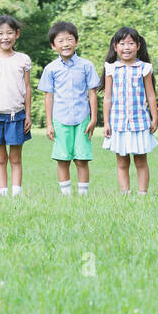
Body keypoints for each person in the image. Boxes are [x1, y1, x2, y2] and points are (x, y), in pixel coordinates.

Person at [37, 21, 99, 196]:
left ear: (76, 42)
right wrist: (49, 124)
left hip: (82, 119)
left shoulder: (86, 65)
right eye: (61, 41)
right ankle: (66, 196)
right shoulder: (50, 69)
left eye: (69, 39)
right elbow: (48, 96)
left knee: (82, 159)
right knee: (62, 159)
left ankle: (83, 196)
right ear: (53, 45)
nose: (66, 44)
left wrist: (94, 118)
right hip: (60, 119)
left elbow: (92, 93)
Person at [0, 14, 32, 196]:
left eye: (9, 33)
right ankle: (2, 193)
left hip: (16, 115)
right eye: (0, 33)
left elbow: (27, 88)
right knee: (0, 158)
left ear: (17, 34)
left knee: (15, 158)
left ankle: (16, 193)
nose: (5, 37)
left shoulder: (23, 59)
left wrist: (28, 115)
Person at [101, 27, 158, 194]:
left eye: (131, 43)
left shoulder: (144, 68)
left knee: (141, 161)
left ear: (138, 46)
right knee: (122, 162)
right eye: (122, 43)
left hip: (139, 122)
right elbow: (107, 98)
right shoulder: (112, 68)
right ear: (115, 47)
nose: (126, 47)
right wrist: (105, 122)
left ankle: (142, 193)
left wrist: (154, 118)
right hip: (118, 123)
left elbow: (151, 95)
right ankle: (125, 193)